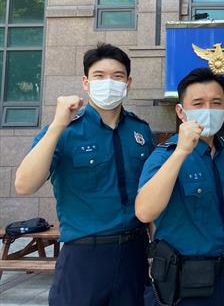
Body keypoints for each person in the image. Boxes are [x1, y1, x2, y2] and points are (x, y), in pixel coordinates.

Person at [14, 43, 154, 306]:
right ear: (86, 82)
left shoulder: (141, 132)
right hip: (84, 256)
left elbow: (150, 193)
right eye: (99, 76)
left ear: (128, 83)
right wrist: (58, 124)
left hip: (134, 254)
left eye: (117, 76)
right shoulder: (65, 130)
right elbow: (24, 184)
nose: (109, 83)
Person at [136, 67, 224, 306]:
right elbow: (145, 211)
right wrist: (182, 152)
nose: (208, 110)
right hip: (183, 280)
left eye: (216, 102)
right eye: (198, 103)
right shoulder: (164, 155)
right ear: (181, 111)